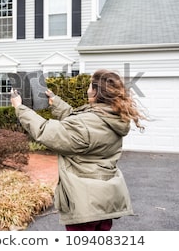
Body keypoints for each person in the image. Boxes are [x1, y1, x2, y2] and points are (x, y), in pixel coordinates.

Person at [10, 69, 146, 231]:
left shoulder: (89, 122)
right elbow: (78, 122)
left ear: (96, 92)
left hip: (86, 203)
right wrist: (55, 102)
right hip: (105, 200)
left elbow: (45, 131)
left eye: (90, 86)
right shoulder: (112, 116)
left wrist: (20, 108)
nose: (87, 89)